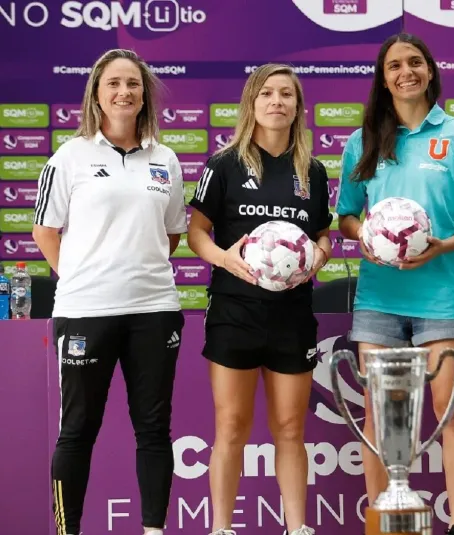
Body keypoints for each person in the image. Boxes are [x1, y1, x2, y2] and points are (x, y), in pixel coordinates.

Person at [336, 33, 454, 534]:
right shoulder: (363, 141)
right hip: (379, 301)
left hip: (442, 299)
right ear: (382, 80)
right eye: (394, 67)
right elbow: (345, 215)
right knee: (378, 422)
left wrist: (441, 246)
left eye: (414, 63)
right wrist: (363, 236)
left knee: (452, 414)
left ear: (429, 71)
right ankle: (382, 519)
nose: (405, 72)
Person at [32, 49, 188, 535]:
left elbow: (172, 233)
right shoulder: (69, 156)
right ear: (96, 94)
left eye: (134, 85)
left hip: (154, 311)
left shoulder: (165, 159)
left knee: (155, 431)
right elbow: (45, 230)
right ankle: (66, 530)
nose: (125, 92)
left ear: (145, 95)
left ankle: (153, 530)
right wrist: (80, 276)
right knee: (77, 431)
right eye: (114, 84)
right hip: (85, 313)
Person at [187, 63, 333, 535]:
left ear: (297, 106)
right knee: (231, 425)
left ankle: (296, 528)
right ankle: (222, 528)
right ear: (252, 103)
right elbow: (196, 233)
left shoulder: (311, 170)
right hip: (235, 311)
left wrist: (317, 258)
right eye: (267, 93)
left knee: (290, 428)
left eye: (286, 94)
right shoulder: (224, 164)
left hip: (292, 315)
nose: (277, 102)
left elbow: (324, 236)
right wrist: (226, 260)